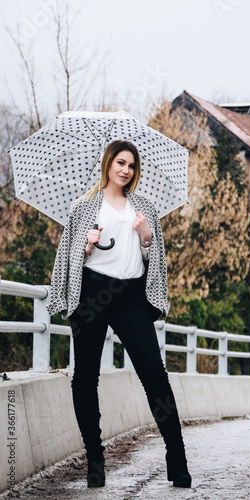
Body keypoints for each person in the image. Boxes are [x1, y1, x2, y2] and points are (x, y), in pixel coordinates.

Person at [46, 140, 192, 489]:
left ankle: (177, 456)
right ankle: (95, 461)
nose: (125, 170)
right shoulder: (83, 208)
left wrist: (145, 238)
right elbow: (68, 262)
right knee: (85, 378)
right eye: (120, 163)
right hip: (92, 295)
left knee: (155, 376)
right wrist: (85, 246)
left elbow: (153, 263)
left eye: (131, 165)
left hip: (131, 298)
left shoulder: (144, 208)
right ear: (108, 164)